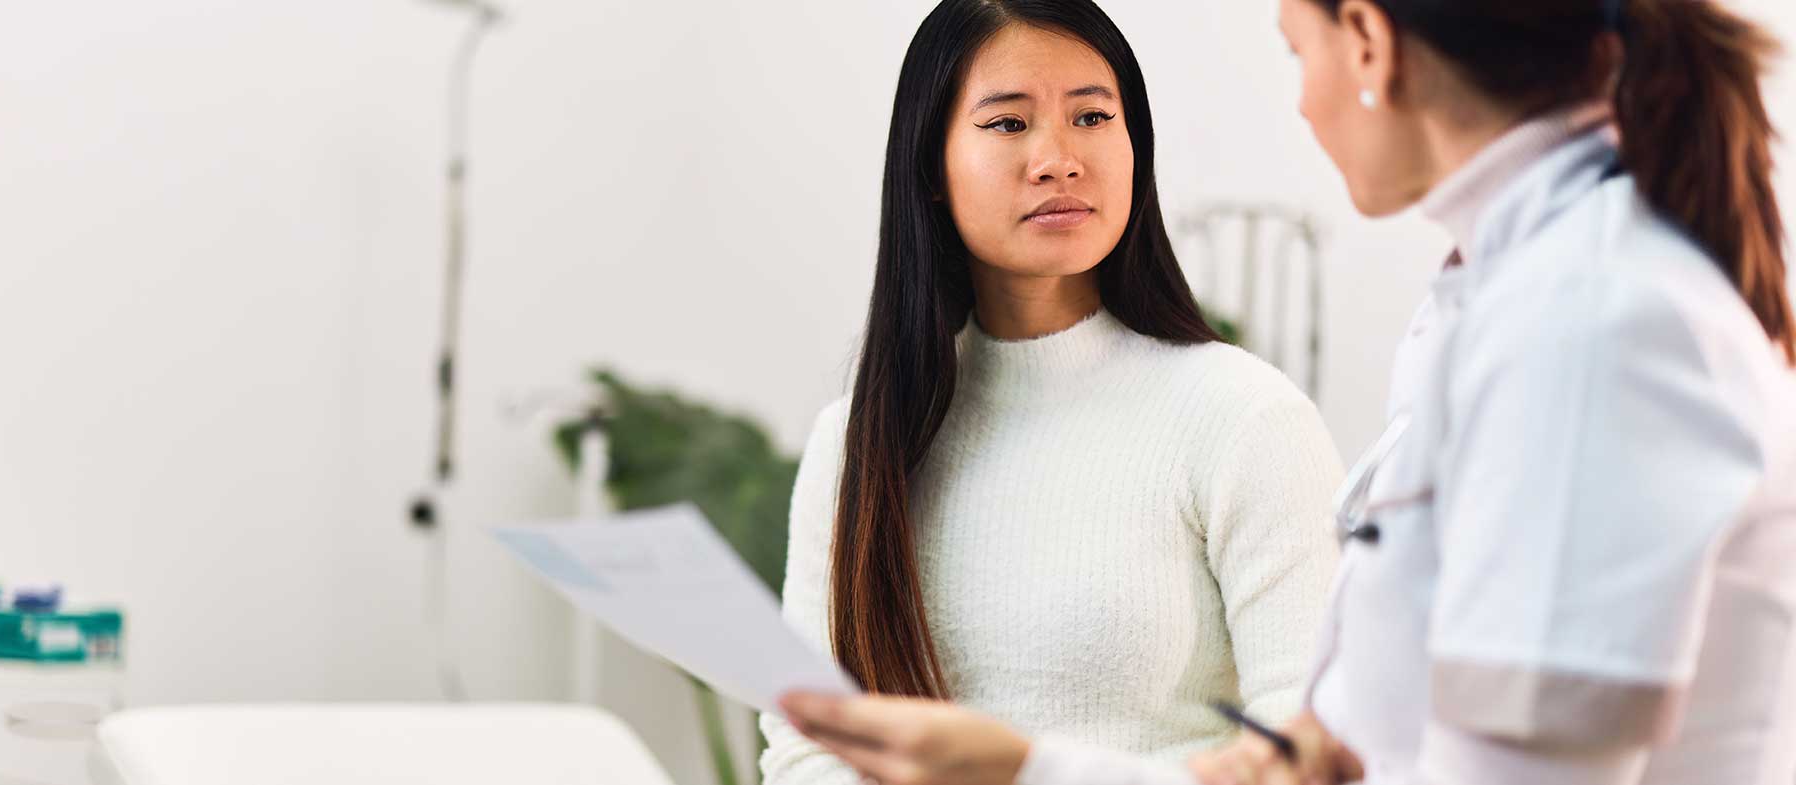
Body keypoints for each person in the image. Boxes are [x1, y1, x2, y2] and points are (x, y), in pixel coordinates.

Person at [778, 1, 1796, 784]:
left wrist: (1021, 767)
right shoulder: (1501, 301)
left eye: (1295, 48)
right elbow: (1349, 746)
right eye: (1007, 124)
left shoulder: (1591, 320)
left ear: (1368, 44)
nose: (1302, 100)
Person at [759, 1, 1346, 783]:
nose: (1059, 158)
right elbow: (806, 751)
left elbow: (1309, 759)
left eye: (1093, 117)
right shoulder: (858, 441)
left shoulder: (1243, 418)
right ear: (930, 167)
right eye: (1008, 124)